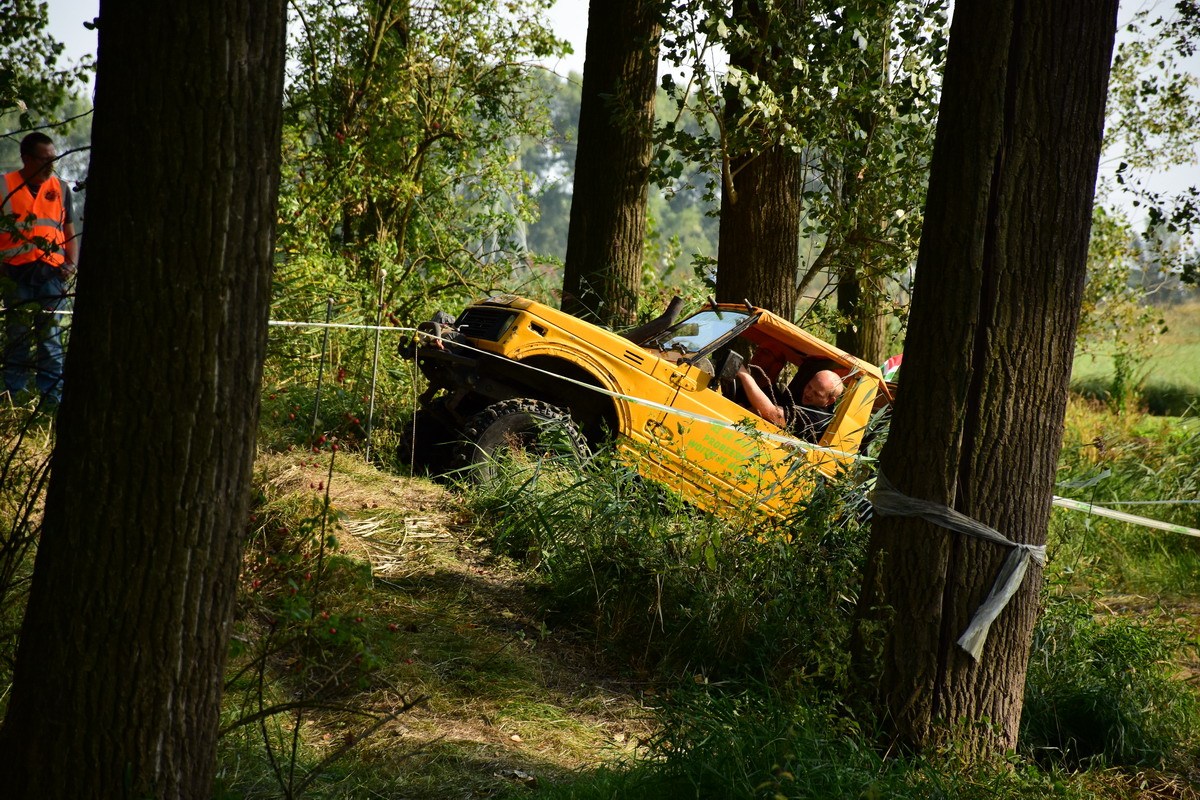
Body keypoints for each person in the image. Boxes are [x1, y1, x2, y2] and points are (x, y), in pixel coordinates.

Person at [0, 132, 77, 405]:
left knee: (51, 340)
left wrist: (71, 263)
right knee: (17, 336)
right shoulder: (4, 186)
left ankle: (51, 400)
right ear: (26, 159)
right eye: (45, 159)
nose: (50, 165)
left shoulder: (61, 188)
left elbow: (69, 230)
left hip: (51, 275)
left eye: (53, 159)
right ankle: (12, 399)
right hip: (14, 274)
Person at [736, 363, 845, 442]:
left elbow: (771, 413)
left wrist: (744, 375)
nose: (808, 393)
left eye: (816, 394)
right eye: (809, 386)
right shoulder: (806, 402)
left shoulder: (817, 419)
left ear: (830, 401)